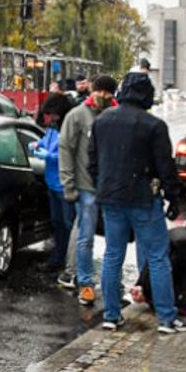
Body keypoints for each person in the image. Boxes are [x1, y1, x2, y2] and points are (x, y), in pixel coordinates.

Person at [88, 71, 186, 334]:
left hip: (110, 198)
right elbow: (165, 167)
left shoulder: (102, 121)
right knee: (157, 257)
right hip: (143, 198)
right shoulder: (153, 126)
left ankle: (111, 315)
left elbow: (93, 163)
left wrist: (103, 186)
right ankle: (166, 318)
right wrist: (172, 196)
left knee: (113, 255)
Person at [60, 74, 118, 304]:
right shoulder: (77, 116)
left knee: (115, 239)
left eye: (108, 92)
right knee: (85, 237)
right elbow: (66, 150)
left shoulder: (116, 115)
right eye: (100, 91)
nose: (103, 96)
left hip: (112, 188)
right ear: (93, 90)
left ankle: (113, 282)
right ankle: (85, 283)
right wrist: (69, 184)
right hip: (87, 188)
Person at [28, 92, 76, 276]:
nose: (45, 118)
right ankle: (59, 258)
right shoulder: (53, 129)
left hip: (64, 185)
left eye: (48, 114)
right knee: (58, 223)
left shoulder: (66, 128)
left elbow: (68, 154)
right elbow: (47, 143)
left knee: (67, 225)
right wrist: (38, 144)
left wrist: (47, 155)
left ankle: (67, 262)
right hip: (53, 183)